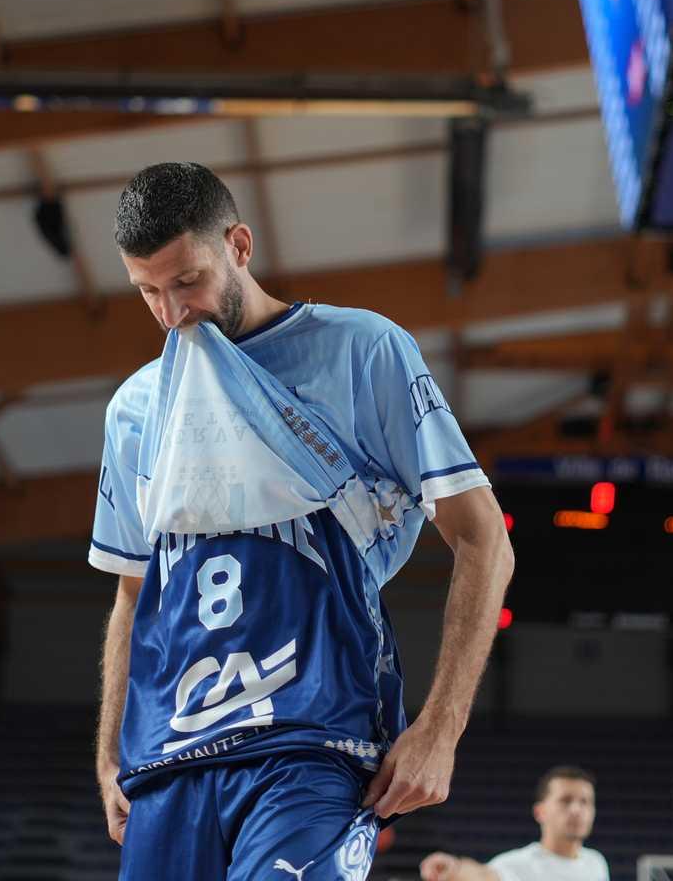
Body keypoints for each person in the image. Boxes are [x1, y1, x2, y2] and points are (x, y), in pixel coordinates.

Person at [90, 162, 516, 880]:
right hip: (172, 755)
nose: (171, 312)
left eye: (187, 280)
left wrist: (441, 729)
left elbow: (485, 541)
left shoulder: (362, 349)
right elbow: (134, 593)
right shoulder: (136, 408)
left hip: (314, 742)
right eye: (147, 292)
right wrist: (108, 757)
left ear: (239, 246)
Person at [420, 766, 608, 881]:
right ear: (540, 812)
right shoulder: (517, 865)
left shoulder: (596, 861)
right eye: (565, 800)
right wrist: (455, 868)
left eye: (585, 802)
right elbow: (485, 876)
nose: (576, 809)